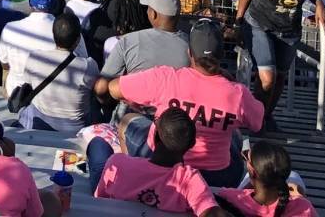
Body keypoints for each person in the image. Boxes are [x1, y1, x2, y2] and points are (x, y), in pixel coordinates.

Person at [99, 18, 265, 189]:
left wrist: (136, 101)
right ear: (222, 54)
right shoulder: (237, 93)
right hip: (216, 176)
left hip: (165, 165)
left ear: (190, 53)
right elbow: (257, 122)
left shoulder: (166, 78)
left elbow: (113, 88)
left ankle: (139, 177)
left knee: (127, 120)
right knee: (235, 134)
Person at [93, 108, 220, 215]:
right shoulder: (190, 181)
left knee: (98, 143)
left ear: (155, 135)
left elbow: (100, 198)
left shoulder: (118, 163)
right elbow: (210, 212)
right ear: (191, 144)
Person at [0, 7, 97, 133]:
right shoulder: (89, 66)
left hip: (39, 122)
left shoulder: (35, 57)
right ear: (78, 40)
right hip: (75, 128)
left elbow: (28, 82)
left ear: (54, 35)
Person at [212, 138, 316, 217]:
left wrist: (243, 190)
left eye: (246, 157)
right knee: (295, 177)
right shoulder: (303, 208)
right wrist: (301, 196)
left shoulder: (229, 197)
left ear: (252, 171)